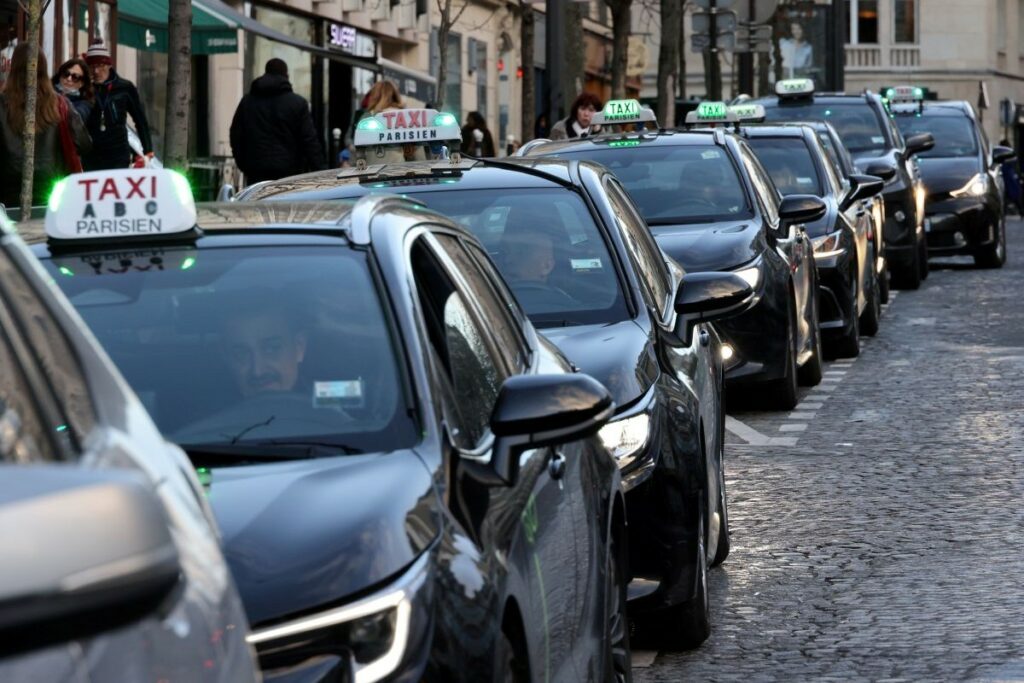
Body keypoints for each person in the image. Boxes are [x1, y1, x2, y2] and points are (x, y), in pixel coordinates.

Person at [0, 44, 91, 208]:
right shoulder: (60, 104)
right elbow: (84, 144)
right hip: (51, 191)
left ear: (13, 68)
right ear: (43, 69)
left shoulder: (2, 103)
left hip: (7, 193)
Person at [230, 58, 326, 184]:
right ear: (286, 76)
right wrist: (321, 172)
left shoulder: (247, 102)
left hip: (257, 173)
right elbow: (309, 141)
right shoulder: (297, 103)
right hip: (290, 173)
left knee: (258, 204)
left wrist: (245, 165)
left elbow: (236, 136)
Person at [83, 42, 154, 170]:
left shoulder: (125, 87)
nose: (96, 71)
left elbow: (139, 118)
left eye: (100, 66)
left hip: (118, 153)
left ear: (109, 65)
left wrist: (147, 149)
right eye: (92, 67)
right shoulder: (85, 88)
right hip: (91, 154)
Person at [221, 301, 308, 398]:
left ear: (299, 347)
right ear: (226, 358)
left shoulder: (324, 401)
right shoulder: (209, 410)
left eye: (271, 349)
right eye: (242, 354)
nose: (257, 372)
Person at [354, 79, 426, 164]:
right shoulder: (408, 118)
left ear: (374, 96)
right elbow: (419, 158)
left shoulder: (367, 119)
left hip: (372, 173)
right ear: (396, 95)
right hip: (399, 172)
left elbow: (359, 153)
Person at [52, 57, 93, 124]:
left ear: (82, 83)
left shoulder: (84, 103)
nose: (69, 79)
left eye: (75, 77)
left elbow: (76, 118)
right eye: (66, 73)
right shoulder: (47, 92)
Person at [999, 138, 1024, 215]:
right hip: (1009, 176)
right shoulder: (1009, 152)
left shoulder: (1007, 153)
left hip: (1008, 176)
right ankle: (1020, 211)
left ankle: (1019, 211)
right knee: (1012, 195)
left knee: (1009, 195)